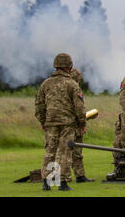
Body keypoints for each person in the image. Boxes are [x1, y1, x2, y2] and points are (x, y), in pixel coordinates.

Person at [35, 53, 86, 191]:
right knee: (64, 152)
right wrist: (82, 123)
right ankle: (62, 183)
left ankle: (47, 182)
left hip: (50, 123)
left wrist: (43, 122)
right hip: (67, 124)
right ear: (69, 67)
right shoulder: (72, 84)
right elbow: (80, 108)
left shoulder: (46, 84)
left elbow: (39, 105)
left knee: (50, 152)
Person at [68, 67, 94, 183]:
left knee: (64, 152)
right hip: (75, 125)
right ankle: (78, 176)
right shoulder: (76, 89)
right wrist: (83, 124)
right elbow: (80, 109)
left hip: (65, 125)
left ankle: (63, 176)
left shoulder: (61, 88)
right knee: (76, 152)